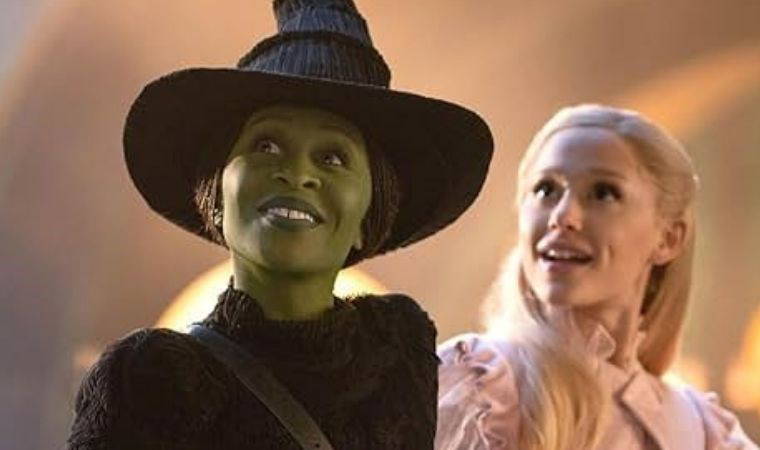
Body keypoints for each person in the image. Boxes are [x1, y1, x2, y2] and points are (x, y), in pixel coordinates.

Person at [66, 1, 493, 449]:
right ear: (214, 197)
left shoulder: (399, 350)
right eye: (266, 145)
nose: (297, 173)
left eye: (333, 157)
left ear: (368, 218)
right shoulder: (150, 378)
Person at [436, 104, 758, 450]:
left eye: (603, 193)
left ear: (668, 238)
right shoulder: (477, 388)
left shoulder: (705, 432)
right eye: (545, 189)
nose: (563, 216)